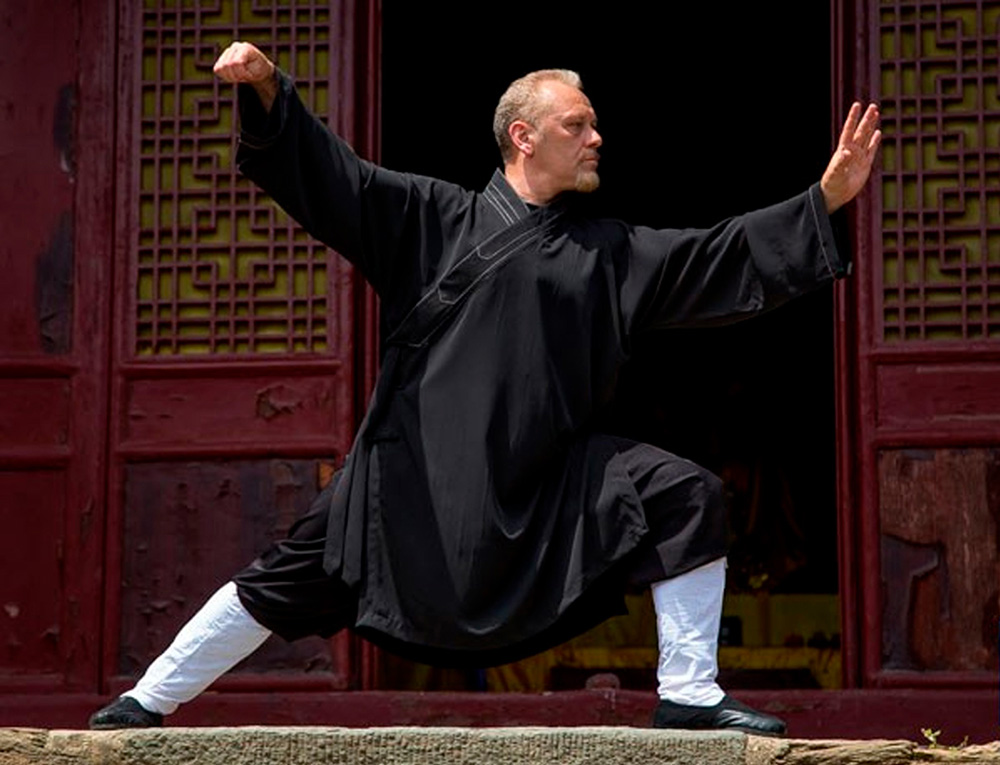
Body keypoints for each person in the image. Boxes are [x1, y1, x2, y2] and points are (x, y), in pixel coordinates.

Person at [90, 41, 880, 734]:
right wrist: (268, 91)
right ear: (523, 136)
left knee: (682, 493)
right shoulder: (428, 217)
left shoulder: (610, 252)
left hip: (545, 487)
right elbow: (334, 177)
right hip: (412, 483)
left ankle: (689, 693)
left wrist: (822, 202)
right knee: (287, 573)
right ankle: (147, 700)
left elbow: (717, 255)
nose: (597, 137)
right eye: (579, 124)